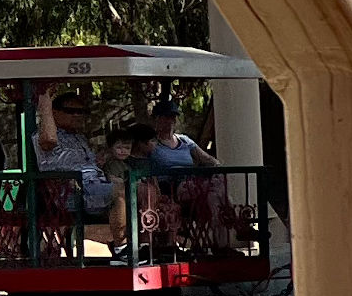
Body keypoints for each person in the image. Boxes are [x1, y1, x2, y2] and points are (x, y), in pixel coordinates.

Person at [34, 90, 125, 247]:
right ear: (54, 112)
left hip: (93, 188)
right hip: (71, 193)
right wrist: (45, 100)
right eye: (71, 111)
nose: (78, 115)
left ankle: (149, 245)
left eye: (81, 111)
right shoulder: (44, 136)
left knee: (144, 189)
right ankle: (122, 247)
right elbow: (48, 139)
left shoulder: (78, 137)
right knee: (122, 192)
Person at [147, 100, 220, 169]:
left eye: (173, 117)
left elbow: (207, 159)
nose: (170, 121)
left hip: (189, 181)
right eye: (166, 117)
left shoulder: (184, 140)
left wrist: (218, 166)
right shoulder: (151, 143)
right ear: (157, 119)